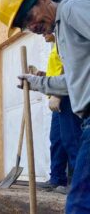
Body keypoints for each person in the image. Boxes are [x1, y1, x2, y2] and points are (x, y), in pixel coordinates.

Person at [0, 0, 90, 213]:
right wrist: (37, 82)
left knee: (79, 204)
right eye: (26, 25)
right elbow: (74, 82)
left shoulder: (71, 10)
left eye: (30, 16)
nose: (33, 26)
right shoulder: (62, 32)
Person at [31, 34, 82, 194]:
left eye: (44, 32)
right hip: (57, 95)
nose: (42, 35)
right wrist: (44, 75)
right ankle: (57, 179)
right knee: (57, 140)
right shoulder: (54, 46)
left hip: (66, 96)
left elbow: (71, 70)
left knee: (71, 139)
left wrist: (58, 95)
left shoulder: (63, 41)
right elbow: (58, 71)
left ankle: (79, 184)